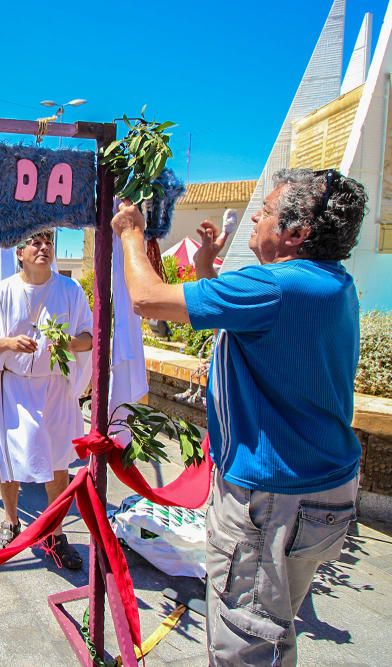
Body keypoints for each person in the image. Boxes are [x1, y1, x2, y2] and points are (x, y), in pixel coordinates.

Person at [111, 168, 367, 666]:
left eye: (267, 212)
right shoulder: (332, 284)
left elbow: (147, 299)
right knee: (274, 626)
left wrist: (131, 233)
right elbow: (247, 316)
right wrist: (207, 264)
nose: (257, 217)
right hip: (322, 493)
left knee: (244, 641)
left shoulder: (276, 288)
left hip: (272, 501)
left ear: (297, 233)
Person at [0, 231, 93, 568]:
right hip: (12, 390)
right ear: (20, 253)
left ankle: (54, 532)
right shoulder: (2, 291)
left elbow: (90, 336)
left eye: (48, 243)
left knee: (58, 465)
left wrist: (68, 342)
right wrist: (8, 344)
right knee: (8, 462)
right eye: (35, 243)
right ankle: (11, 522)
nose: (43, 248)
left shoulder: (69, 290)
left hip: (54, 389)